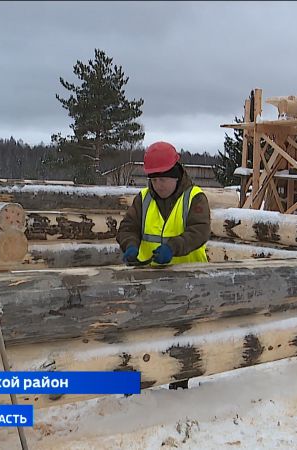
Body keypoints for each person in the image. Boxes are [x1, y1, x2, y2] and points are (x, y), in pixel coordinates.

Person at [116, 141, 211, 390]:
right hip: (149, 281)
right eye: (154, 179)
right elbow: (127, 228)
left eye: (163, 179)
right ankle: (136, 388)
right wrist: (130, 246)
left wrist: (174, 247)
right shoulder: (143, 199)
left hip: (188, 282)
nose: (158, 184)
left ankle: (178, 391)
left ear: (176, 174)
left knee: (181, 342)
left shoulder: (195, 198)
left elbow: (199, 231)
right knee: (143, 339)